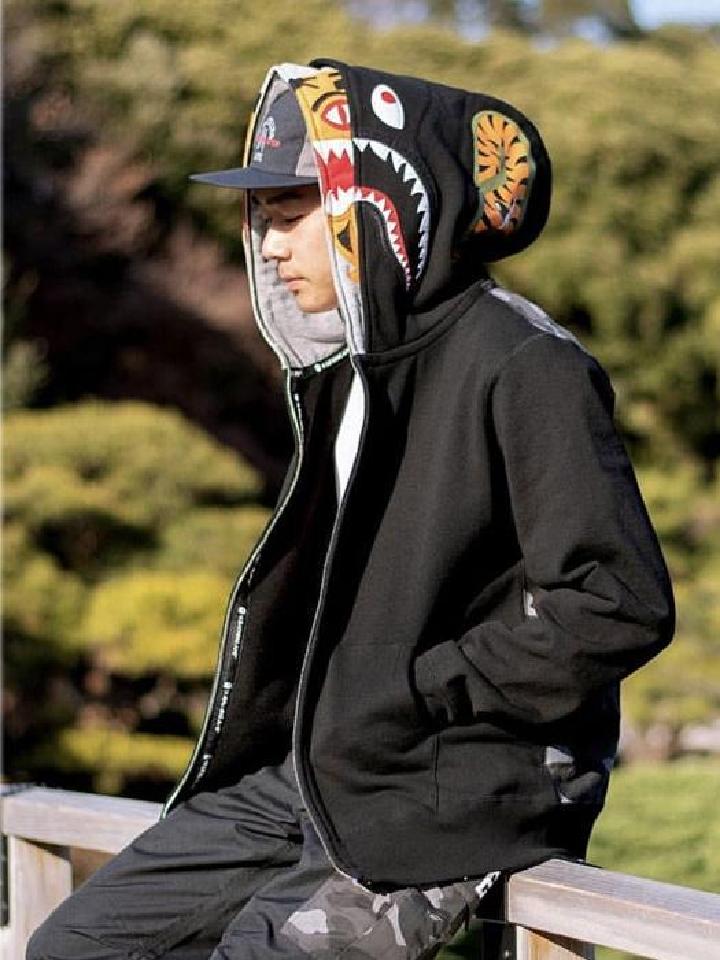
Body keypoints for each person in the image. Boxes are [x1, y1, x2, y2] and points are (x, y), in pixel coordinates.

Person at [28, 59, 674, 960]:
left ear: (376, 203)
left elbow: (616, 601)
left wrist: (422, 688)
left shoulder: (527, 365)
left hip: (449, 791)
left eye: (291, 213)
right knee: (72, 947)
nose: (268, 246)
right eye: (262, 217)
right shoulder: (347, 373)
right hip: (319, 768)